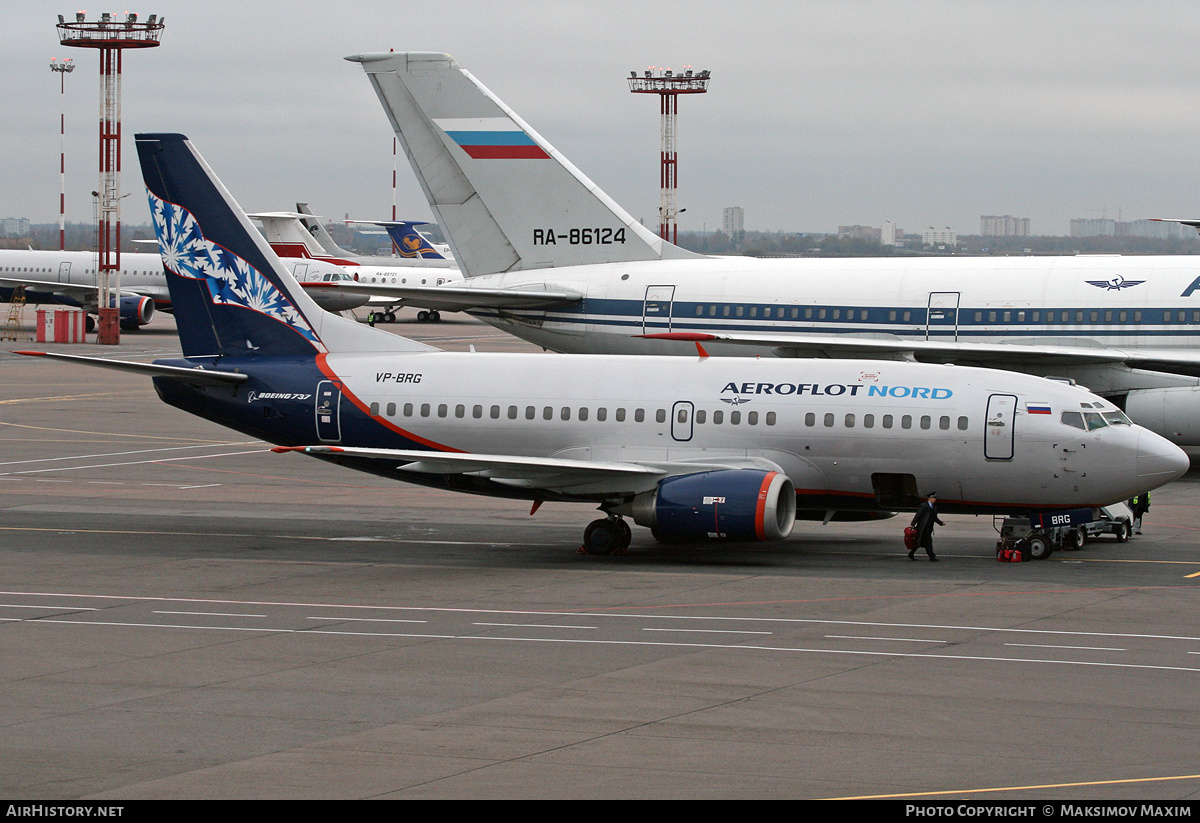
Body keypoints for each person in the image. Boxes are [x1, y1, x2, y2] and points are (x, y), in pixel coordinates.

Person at [909, 492, 945, 561]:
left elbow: (934, 518)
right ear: (930, 498)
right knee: (928, 542)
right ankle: (931, 556)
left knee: (920, 542)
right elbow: (917, 515)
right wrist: (912, 524)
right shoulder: (924, 506)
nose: (935, 500)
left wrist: (941, 523)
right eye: (934, 498)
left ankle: (911, 553)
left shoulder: (934, 507)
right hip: (922, 528)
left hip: (928, 528)